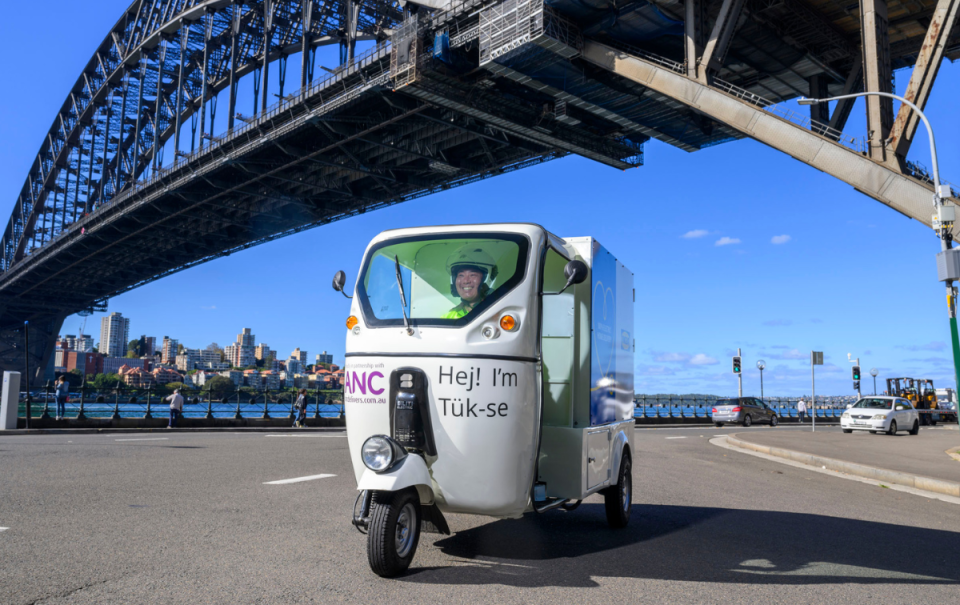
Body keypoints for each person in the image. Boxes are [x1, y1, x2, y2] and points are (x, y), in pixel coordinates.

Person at [442, 245, 499, 319]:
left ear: (487, 279)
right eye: (461, 275)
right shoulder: (448, 317)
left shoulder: (499, 311)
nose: (466, 281)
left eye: (473, 275)